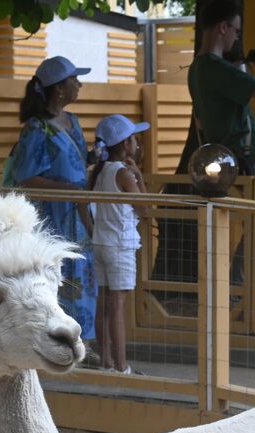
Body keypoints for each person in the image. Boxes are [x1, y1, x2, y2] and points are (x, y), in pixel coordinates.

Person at [187, 0, 255, 314]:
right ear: (222, 27)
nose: (236, 36)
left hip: (232, 153)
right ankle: (254, 295)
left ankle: (246, 292)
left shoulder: (198, 69)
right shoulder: (215, 68)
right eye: (234, 29)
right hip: (247, 154)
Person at [8, 56, 97, 346]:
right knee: (57, 278)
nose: (79, 85)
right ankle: (55, 343)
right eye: (74, 80)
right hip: (53, 217)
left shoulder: (74, 121)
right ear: (59, 88)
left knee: (82, 276)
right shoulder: (35, 129)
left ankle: (82, 342)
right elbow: (26, 178)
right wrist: (67, 188)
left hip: (78, 216)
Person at [88, 114, 150, 374]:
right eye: (133, 138)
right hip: (120, 245)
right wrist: (139, 177)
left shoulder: (99, 171)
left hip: (101, 241)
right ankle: (122, 366)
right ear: (126, 144)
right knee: (117, 305)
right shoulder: (123, 173)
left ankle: (106, 362)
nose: (136, 143)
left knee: (104, 302)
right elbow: (145, 210)